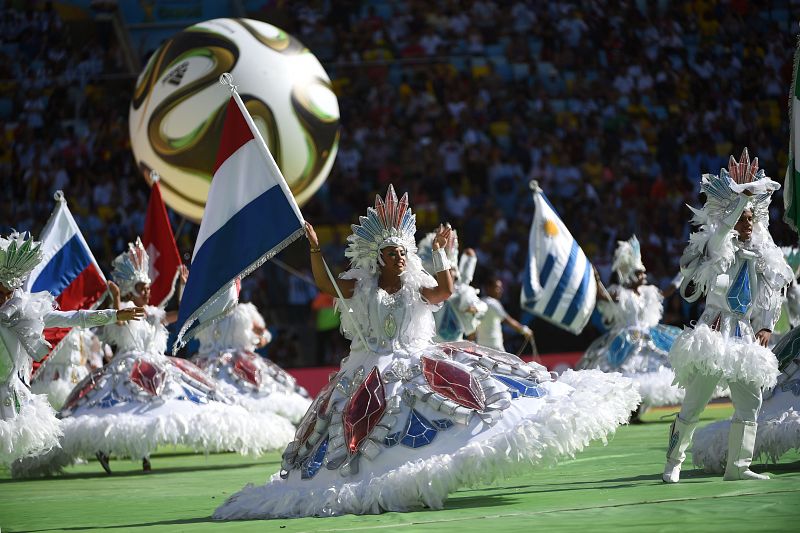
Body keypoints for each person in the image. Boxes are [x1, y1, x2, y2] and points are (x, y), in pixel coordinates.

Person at [213, 185, 640, 519]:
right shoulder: (361, 285)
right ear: (378, 258)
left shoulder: (417, 282)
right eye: (390, 253)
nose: (398, 257)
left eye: (402, 251)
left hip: (417, 357)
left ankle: (426, 480)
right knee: (363, 438)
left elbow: (446, 290)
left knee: (462, 404)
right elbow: (326, 284)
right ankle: (394, 487)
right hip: (369, 367)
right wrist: (311, 248)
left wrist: (442, 257)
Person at [19, 238, 295, 476]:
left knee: (164, 407)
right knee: (120, 412)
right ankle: (111, 449)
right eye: (142, 287)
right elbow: (119, 324)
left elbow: (179, 316)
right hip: (127, 368)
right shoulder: (126, 307)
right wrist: (116, 301)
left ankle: (142, 452)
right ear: (130, 289)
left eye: (148, 286)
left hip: (156, 367)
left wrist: (184, 290)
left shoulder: (151, 311)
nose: (148, 291)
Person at [663, 149, 793, 483]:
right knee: (695, 402)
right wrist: (742, 198)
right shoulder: (718, 245)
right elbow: (720, 233)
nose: (748, 223)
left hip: (743, 336)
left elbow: (773, 288)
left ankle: (738, 467)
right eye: (742, 218)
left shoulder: (758, 251)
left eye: (752, 218)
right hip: (715, 332)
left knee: (751, 402)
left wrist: (764, 325)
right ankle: (673, 462)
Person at [0, 231, 143, 465]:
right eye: (0, 293)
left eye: (7, 293)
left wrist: (114, 314)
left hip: (12, 396)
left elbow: (73, 318)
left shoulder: (26, 312)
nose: (4, 299)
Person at [577, 236, 690, 419]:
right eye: (639, 272)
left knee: (655, 367)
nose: (644, 276)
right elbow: (603, 297)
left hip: (651, 338)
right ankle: (629, 410)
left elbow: (666, 292)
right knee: (627, 372)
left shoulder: (648, 292)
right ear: (629, 274)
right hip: (625, 341)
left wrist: (681, 274)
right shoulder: (620, 293)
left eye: (643, 272)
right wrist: (595, 279)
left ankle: (640, 407)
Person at [192, 301, 311, 424]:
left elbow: (263, 334)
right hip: (210, 364)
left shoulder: (241, 312)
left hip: (239, 363)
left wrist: (258, 340)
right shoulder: (204, 311)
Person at [417, 228, 487, 342]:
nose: (449, 275)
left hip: (456, 345)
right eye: (446, 272)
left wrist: (474, 308)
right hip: (431, 346)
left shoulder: (463, 292)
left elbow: (481, 307)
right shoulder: (428, 292)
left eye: (452, 271)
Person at [475, 274, 534, 352]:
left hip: (480, 348)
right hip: (495, 348)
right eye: (497, 288)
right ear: (488, 288)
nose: (501, 290)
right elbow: (508, 321)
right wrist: (525, 330)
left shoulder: (479, 302)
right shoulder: (493, 303)